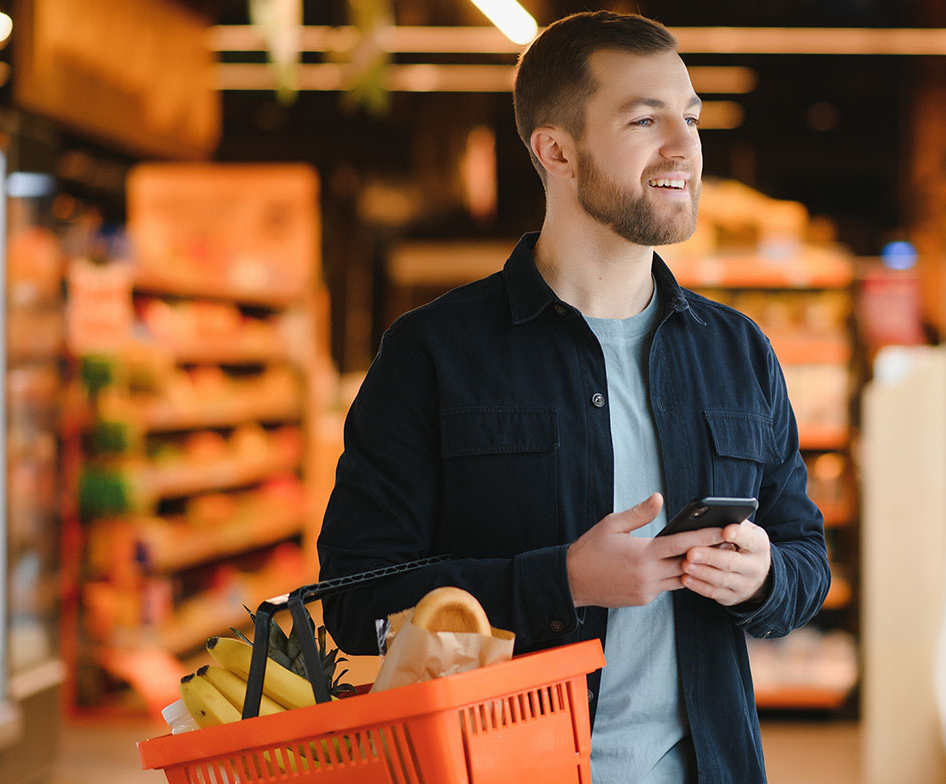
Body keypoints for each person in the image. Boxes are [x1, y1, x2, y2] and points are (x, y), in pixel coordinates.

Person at [317, 10, 829, 783]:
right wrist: (561, 583)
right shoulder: (433, 354)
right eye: (643, 118)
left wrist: (763, 578)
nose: (684, 146)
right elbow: (354, 600)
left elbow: (805, 561)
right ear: (556, 149)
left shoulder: (738, 353)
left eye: (689, 118)